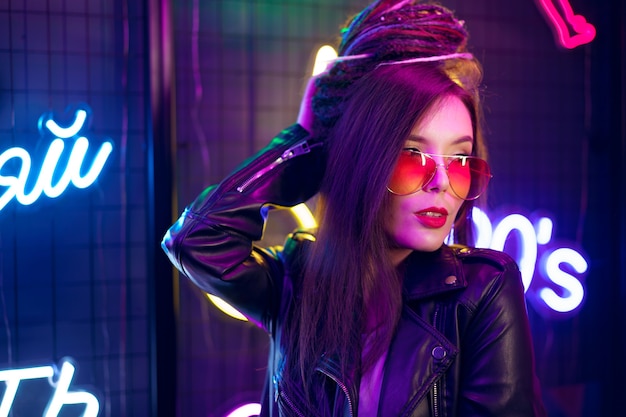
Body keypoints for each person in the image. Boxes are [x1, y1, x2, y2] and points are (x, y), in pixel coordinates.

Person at [162, 1, 547, 416]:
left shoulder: (481, 292)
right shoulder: (299, 281)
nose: (441, 183)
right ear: (363, 160)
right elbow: (196, 241)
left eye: (459, 160)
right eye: (412, 154)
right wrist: (305, 140)